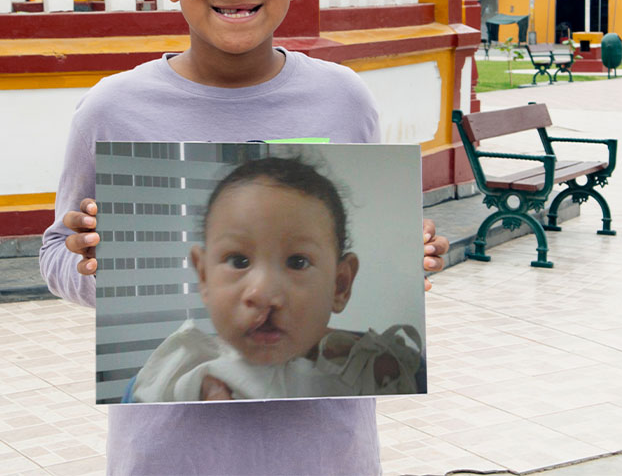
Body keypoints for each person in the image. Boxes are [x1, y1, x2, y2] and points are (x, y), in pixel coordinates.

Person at [40, 0, 449, 475]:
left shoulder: (345, 102)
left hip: (326, 458)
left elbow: (388, 252)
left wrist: (411, 256)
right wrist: (94, 264)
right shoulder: (112, 109)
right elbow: (53, 253)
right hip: (169, 458)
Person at [129, 156, 424, 404]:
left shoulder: (376, 371)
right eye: (238, 261)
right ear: (204, 276)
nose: (263, 293)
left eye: (297, 262)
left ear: (339, 285)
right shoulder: (182, 370)